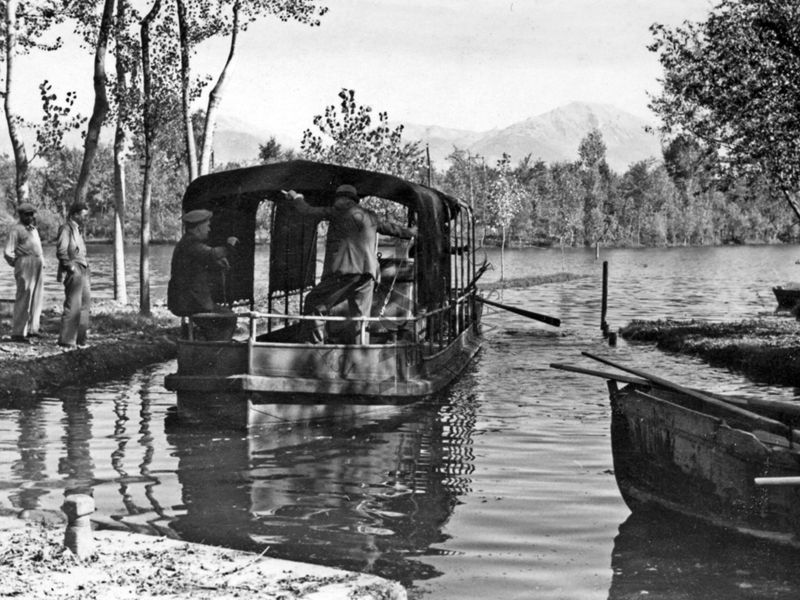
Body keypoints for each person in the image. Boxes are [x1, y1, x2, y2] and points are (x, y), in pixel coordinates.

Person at [281, 184, 417, 343]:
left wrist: (297, 197)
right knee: (360, 317)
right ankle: (360, 353)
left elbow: (307, 211)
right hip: (368, 274)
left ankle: (313, 347)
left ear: (341, 199)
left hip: (345, 271)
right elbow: (393, 229)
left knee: (314, 303)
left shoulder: (338, 211)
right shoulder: (371, 216)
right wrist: (412, 232)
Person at [167, 209, 239, 339]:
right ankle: (218, 350)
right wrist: (229, 246)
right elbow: (211, 254)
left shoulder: (189, 244)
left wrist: (218, 264)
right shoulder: (190, 243)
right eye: (207, 226)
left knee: (223, 319)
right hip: (190, 302)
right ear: (198, 228)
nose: (209, 229)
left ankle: (212, 345)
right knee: (230, 318)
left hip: (189, 301)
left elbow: (201, 262)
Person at [3, 202, 44, 343]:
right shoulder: (16, 230)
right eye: (27, 214)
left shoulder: (33, 229)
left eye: (32, 214)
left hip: (38, 263)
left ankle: (33, 329)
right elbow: (8, 252)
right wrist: (18, 263)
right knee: (24, 296)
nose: (31, 217)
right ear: (21, 215)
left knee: (37, 297)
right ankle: (18, 332)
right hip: (25, 264)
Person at [56, 202, 91, 348]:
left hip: (83, 268)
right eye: (83, 215)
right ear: (75, 214)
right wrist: (70, 266)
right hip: (74, 268)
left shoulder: (77, 230)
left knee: (85, 305)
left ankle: (80, 339)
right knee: (73, 304)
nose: (85, 219)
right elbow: (61, 250)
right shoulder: (66, 229)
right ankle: (66, 340)